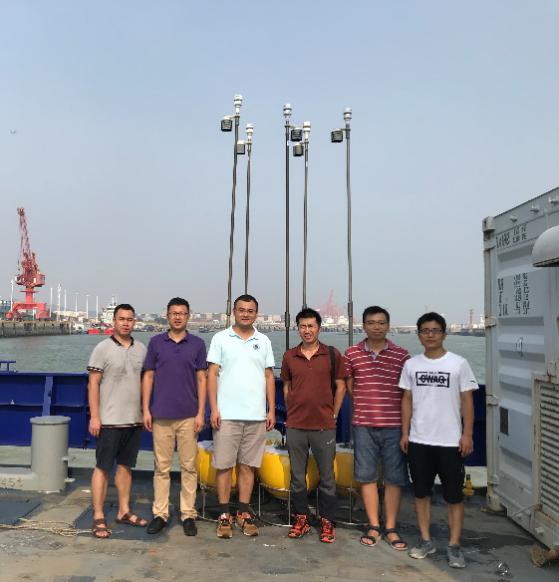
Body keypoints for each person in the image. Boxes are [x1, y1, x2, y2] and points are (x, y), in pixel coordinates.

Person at [400, 312, 477, 569]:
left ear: (444, 333)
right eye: (425, 330)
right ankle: (425, 540)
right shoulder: (411, 365)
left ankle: (454, 546)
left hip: (450, 442)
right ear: (419, 335)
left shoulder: (459, 364)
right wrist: (405, 433)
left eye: (435, 330)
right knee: (421, 493)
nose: (430, 335)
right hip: (419, 440)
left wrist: (467, 434)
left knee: (454, 496)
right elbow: (407, 400)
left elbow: (467, 401)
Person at [207, 294, 275, 539]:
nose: (246, 314)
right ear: (234, 312)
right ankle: (224, 514)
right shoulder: (220, 338)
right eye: (242, 310)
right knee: (224, 466)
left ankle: (244, 513)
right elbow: (211, 374)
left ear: (256, 313)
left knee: (248, 467)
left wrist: (271, 409)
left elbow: (269, 376)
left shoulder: (263, 341)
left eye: (250, 310)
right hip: (226, 416)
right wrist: (214, 408)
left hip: (256, 416)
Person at [344, 306, 410, 550]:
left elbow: (407, 393)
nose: (376, 327)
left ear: (388, 326)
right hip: (363, 425)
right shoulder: (351, 354)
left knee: (394, 479)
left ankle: (390, 527)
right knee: (367, 477)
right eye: (371, 323)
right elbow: (350, 384)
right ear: (364, 326)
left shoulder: (402, 356)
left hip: (394, 426)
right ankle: (373, 525)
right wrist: (365, 404)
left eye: (381, 323)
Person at [281, 307, 347, 543]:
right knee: (297, 477)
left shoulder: (332, 354)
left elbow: (341, 385)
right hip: (296, 425)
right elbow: (286, 386)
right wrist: (292, 410)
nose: (307, 330)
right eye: (303, 326)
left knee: (327, 477)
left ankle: (328, 521)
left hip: (324, 426)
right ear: (297, 328)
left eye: (311, 326)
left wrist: (334, 413)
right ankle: (301, 518)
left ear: (319, 328)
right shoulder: (290, 356)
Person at [142, 297, 207, 537]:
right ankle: (160, 513)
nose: (178, 317)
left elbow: (202, 379)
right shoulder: (156, 343)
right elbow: (148, 376)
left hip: (189, 415)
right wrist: (146, 409)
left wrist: (201, 412)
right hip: (161, 414)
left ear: (188, 316)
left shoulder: (197, 344)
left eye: (182, 313)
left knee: (189, 467)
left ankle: (188, 514)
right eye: (174, 313)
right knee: (162, 467)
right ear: (167, 316)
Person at [87, 303, 148, 539]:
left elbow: (146, 382)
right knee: (102, 467)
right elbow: (93, 384)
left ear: (134, 322)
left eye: (129, 319)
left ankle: (123, 510)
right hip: (109, 420)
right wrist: (95, 416)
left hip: (133, 420)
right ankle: (98, 515)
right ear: (114, 321)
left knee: (125, 467)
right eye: (121, 319)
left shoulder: (141, 349)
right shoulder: (102, 348)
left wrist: (145, 411)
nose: (125, 323)